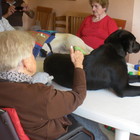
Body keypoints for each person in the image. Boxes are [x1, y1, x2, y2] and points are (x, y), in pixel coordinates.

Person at [0, 30, 86, 140]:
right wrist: (78, 65)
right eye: (31, 53)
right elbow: (78, 96)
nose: (34, 57)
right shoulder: (40, 95)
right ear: (25, 63)